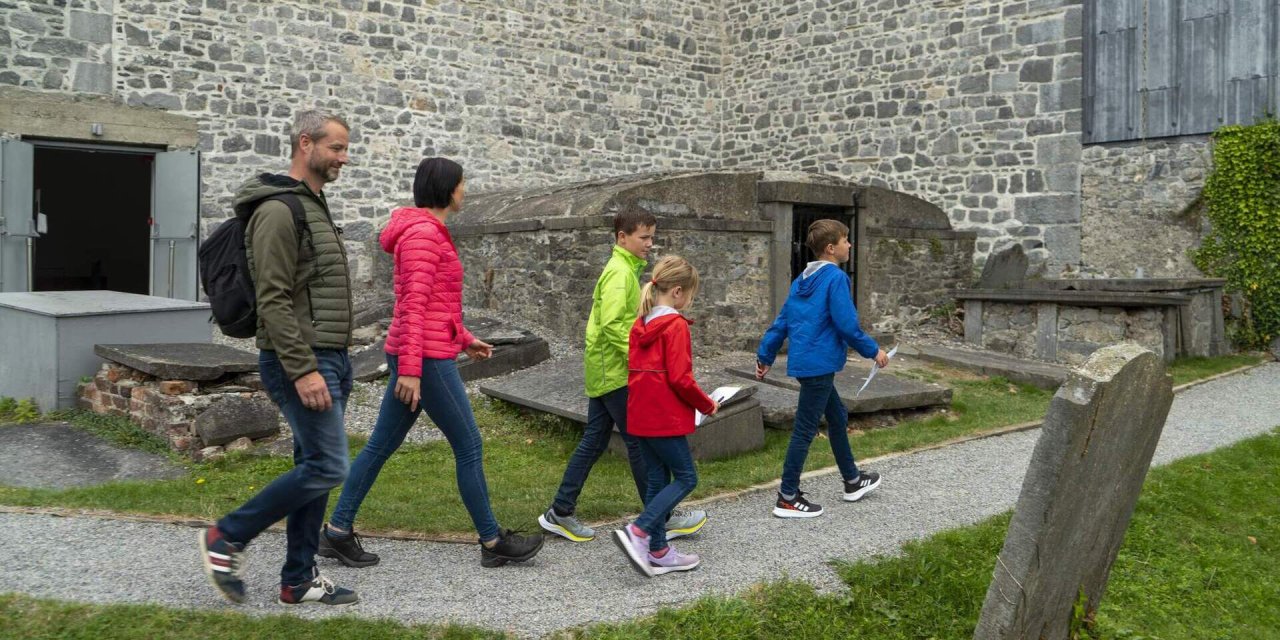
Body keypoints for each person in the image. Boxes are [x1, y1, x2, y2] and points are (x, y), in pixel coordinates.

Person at [318, 157, 543, 569]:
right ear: (445, 188)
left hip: (426, 350)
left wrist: (464, 338)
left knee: (381, 445)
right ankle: (492, 542)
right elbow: (414, 306)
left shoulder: (428, 231)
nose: (465, 191)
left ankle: (336, 532)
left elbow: (438, 303)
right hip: (424, 359)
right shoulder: (423, 234)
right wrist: (410, 370)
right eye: (461, 184)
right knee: (470, 445)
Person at [198, 109, 359, 606]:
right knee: (330, 465)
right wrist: (303, 367)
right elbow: (272, 298)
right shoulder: (278, 210)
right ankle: (227, 535)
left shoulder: (313, 204)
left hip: (329, 355)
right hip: (302, 359)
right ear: (304, 144)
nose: (343, 158)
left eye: (346, 149)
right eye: (336, 148)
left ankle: (297, 580)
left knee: (314, 464)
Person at [538, 209, 708, 543]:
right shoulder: (620, 274)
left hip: (605, 369)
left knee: (595, 440)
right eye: (644, 237)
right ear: (622, 238)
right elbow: (616, 326)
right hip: (616, 372)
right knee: (640, 444)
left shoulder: (625, 270)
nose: (650, 244)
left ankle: (560, 510)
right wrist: (642, 361)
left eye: (652, 237)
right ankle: (660, 518)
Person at [755, 219, 889, 519]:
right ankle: (787, 496)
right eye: (846, 240)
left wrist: (765, 355)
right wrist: (874, 351)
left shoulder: (801, 280)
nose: (850, 245)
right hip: (819, 365)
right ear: (831, 248)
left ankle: (853, 480)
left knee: (837, 415)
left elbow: (782, 322)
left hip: (807, 364)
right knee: (804, 429)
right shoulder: (836, 279)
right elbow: (846, 325)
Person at [613, 255, 717, 577]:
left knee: (658, 479)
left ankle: (658, 550)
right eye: (689, 295)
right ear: (676, 292)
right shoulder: (675, 326)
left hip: (639, 416)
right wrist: (707, 404)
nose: (689, 301)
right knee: (687, 477)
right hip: (665, 418)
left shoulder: (639, 325)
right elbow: (680, 379)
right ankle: (640, 531)